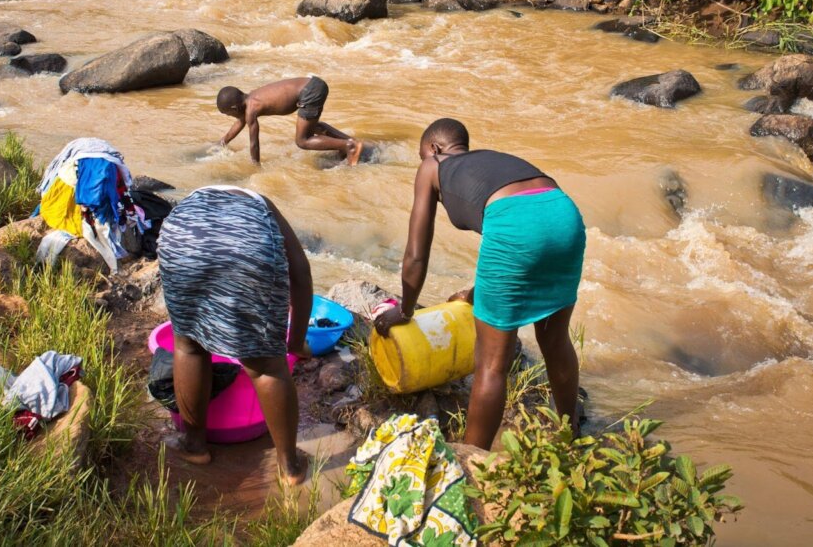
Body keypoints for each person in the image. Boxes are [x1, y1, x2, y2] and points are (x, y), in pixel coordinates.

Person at [373, 118, 586, 449]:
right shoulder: (492, 161)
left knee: (490, 364)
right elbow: (515, 233)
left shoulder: (433, 165)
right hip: (564, 215)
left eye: (422, 155)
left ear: (434, 149)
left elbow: (416, 255)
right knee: (555, 342)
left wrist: (405, 308)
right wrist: (476, 293)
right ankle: (570, 436)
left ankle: (471, 462)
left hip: (516, 225)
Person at [157, 185, 313, 485]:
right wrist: (295, 343)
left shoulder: (196, 199)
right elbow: (301, 273)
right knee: (266, 365)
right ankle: (290, 468)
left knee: (188, 344)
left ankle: (194, 446)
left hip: (181, 238)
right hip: (248, 245)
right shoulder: (262, 204)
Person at [216, 76, 363, 166]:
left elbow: (254, 143)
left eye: (228, 114)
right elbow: (240, 122)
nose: (231, 117)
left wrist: (255, 166)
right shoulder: (253, 97)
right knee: (313, 127)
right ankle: (353, 143)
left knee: (302, 140)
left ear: (235, 108)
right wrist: (223, 141)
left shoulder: (251, 110)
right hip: (314, 84)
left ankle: (349, 146)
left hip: (308, 93)